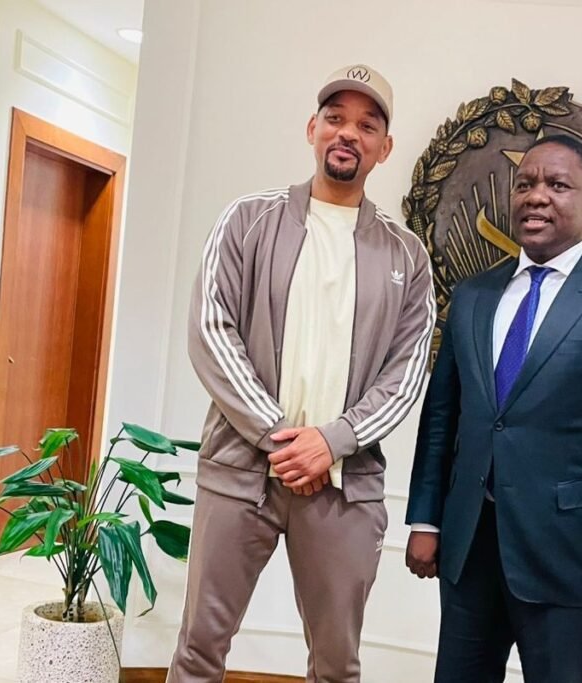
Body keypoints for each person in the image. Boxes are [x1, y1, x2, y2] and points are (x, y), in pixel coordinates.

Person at [168, 64, 435, 683]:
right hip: (240, 474)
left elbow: (406, 373)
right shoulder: (247, 219)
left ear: (384, 148)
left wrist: (331, 442)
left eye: (367, 125)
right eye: (335, 118)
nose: (348, 133)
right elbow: (211, 331)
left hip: (345, 488)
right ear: (312, 128)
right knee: (200, 650)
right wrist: (281, 438)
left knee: (337, 665)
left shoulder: (407, 254)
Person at [405, 134, 582, 683]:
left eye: (558, 185)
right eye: (525, 184)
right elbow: (442, 419)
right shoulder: (473, 296)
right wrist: (426, 519)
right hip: (469, 548)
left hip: (569, 555)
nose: (537, 196)